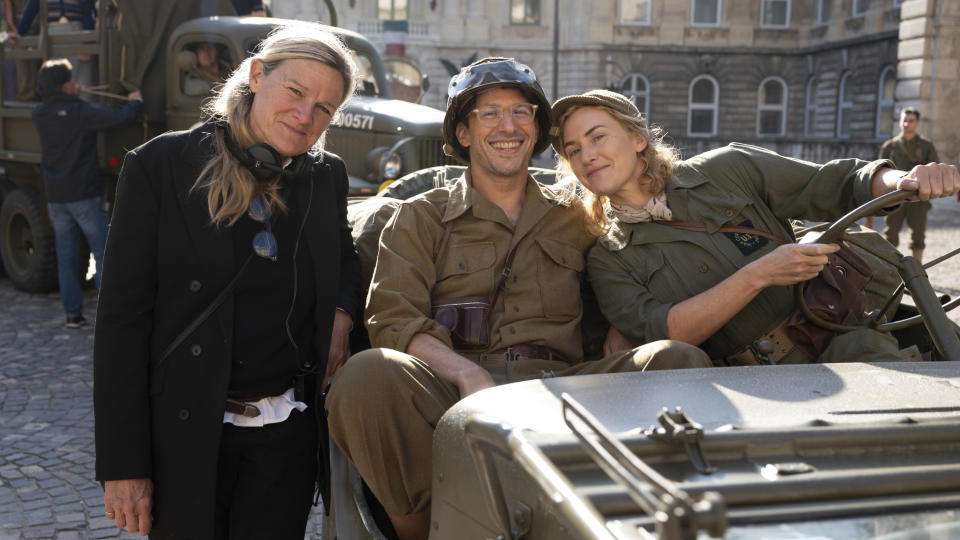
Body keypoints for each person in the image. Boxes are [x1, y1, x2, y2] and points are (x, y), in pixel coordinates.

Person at [326, 58, 711, 540]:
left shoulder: (580, 215)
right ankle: (424, 530)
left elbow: (630, 267)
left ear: (536, 129)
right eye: (488, 114)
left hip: (561, 386)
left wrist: (622, 325)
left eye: (521, 112)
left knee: (676, 359)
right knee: (367, 373)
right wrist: (467, 374)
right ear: (463, 134)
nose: (507, 126)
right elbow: (393, 320)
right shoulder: (420, 217)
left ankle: (653, 521)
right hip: (450, 390)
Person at [93, 24, 361, 538]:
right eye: (296, 92)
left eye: (325, 108)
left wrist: (342, 313)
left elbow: (344, 258)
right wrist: (124, 466)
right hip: (188, 436)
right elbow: (121, 323)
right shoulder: (159, 166)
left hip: (286, 438)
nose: (307, 117)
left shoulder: (325, 175)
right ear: (257, 75)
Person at [552, 89, 960, 365]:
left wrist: (903, 181)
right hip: (749, 387)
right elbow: (664, 330)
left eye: (598, 136)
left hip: (843, 341)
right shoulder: (608, 257)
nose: (587, 155)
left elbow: (836, 183)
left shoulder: (729, 170)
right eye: (574, 150)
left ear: (638, 138)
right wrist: (759, 274)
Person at [32, 58, 141, 328]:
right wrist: (136, 101)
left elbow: (61, 110)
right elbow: (122, 118)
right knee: (103, 252)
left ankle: (73, 315)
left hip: (56, 196)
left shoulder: (39, 113)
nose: (75, 83)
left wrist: (71, 96)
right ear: (63, 86)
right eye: (70, 81)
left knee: (66, 257)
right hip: (84, 194)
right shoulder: (81, 112)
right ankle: (109, 316)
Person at [880, 107, 940, 262]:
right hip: (894, 196)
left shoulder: (926, 146)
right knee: (890, 234)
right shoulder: (890, 146)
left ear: (917, 123)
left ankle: (917, 273)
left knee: (918, 235)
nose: (907, 124)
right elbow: (879, 172)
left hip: (917, 198)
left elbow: (934, 170)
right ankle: (889, 269)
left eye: (911, 121)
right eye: (904, 120)